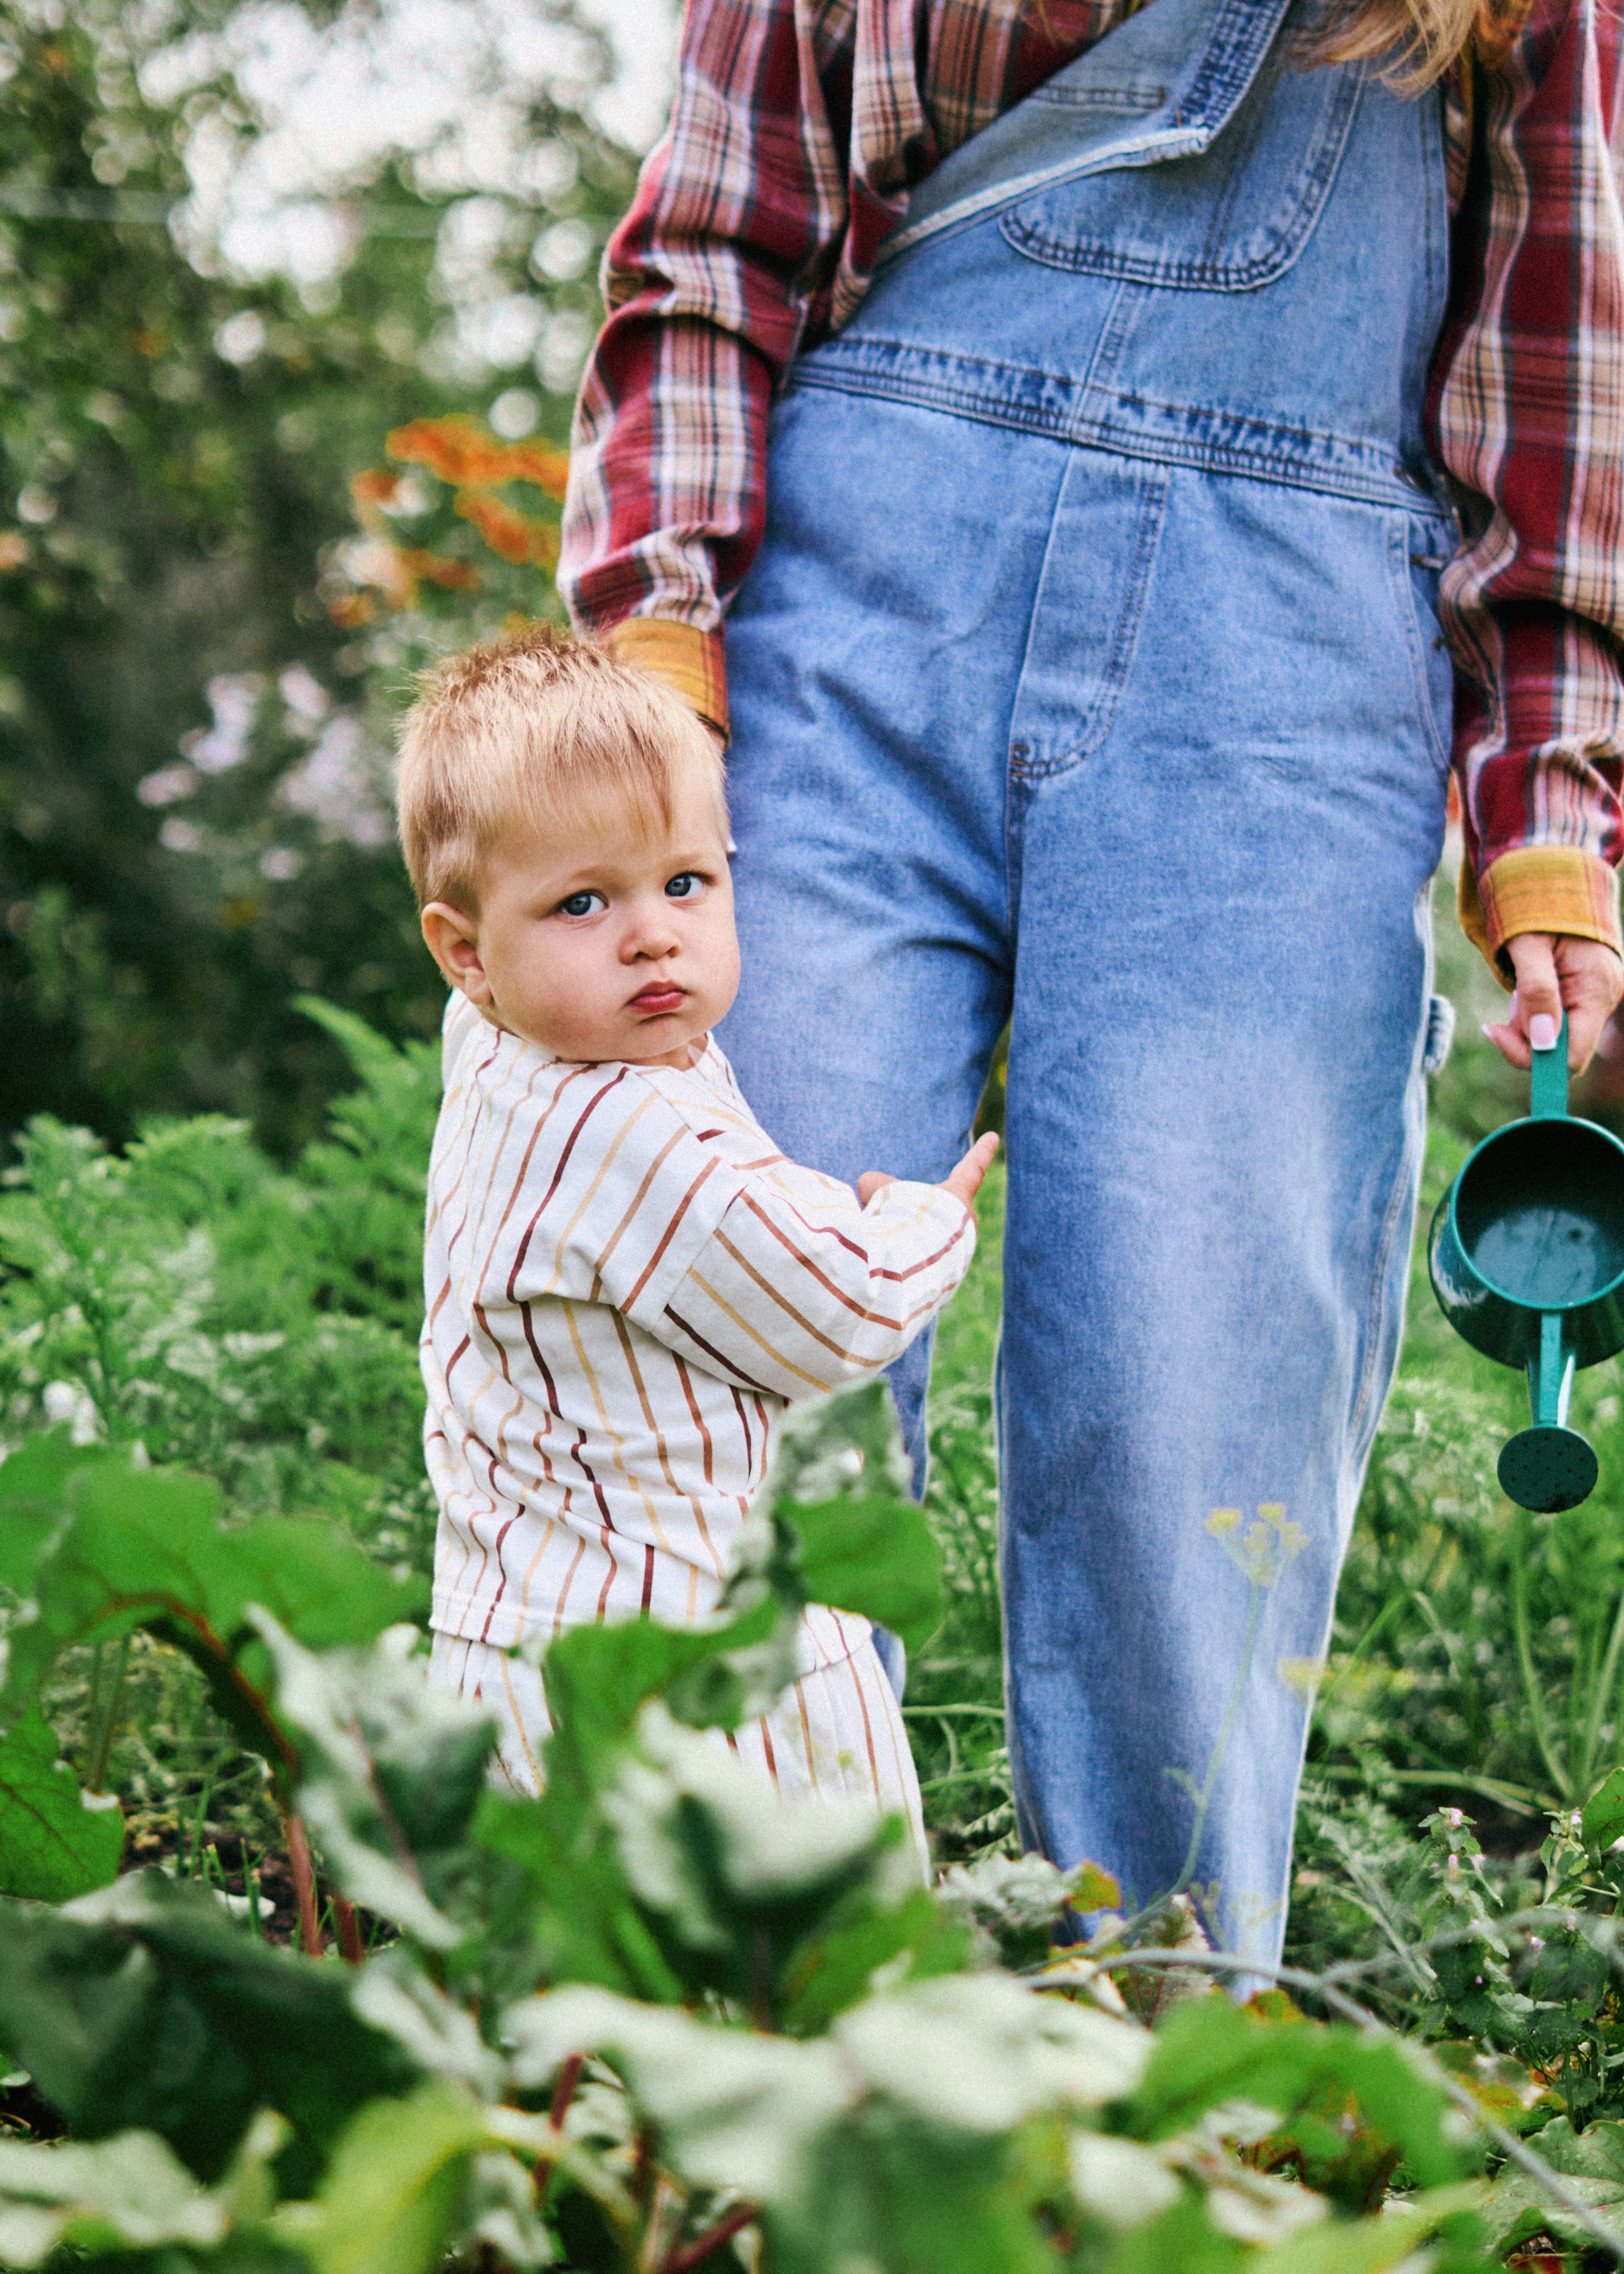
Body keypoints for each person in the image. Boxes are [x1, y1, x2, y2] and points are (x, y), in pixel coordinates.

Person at [554, 0, 1624, 1958]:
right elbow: (716, 230)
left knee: (1186, 1412)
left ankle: (1156, 2082)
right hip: (847, 642)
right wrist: (653, 656)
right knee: (737, 1324)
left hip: (1283, 687)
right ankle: (695, 2034)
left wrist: (1549, 810)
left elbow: (1563, 380)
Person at [396, 625, 997, 1839]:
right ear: (466, 952)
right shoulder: (632, 1131)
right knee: (789, 1991)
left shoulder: (502, 1050)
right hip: (697, 1673)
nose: (652, 934)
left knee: (581, 2002)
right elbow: (843, 1310)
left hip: (521, 1639)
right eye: (583, 902)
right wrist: (927, 1220)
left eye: (686, 882)